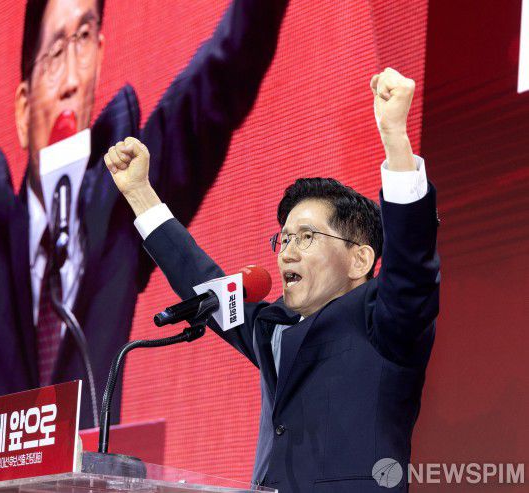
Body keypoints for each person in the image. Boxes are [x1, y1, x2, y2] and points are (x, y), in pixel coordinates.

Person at [0, 0, 289, 431]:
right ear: (23, 110)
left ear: (99, 60)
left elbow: (219, 80)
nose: (70, 81)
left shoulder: (122, 202)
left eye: (83, 39)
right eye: (53, 55)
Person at [104, 68, 440, 492]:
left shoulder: (385, 322)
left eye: (307, 237)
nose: (287, 252)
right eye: (284, 238)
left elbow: (412, 267)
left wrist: (395, 139)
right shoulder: (272, 328)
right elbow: (200, 280)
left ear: (360, 260)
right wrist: (139, 192)